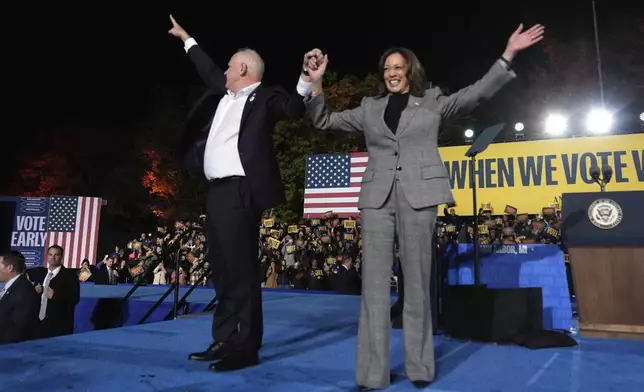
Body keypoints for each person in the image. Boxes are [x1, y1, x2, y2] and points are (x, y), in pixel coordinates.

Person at [304, 24, 544, 390]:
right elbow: (322, 120)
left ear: (410, 70)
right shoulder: (369, 108)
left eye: (397, 66)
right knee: (373, 288)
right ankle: (372, 374)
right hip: (376, 200)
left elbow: (474, 95)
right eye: (386, 68)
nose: (391, 72)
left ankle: (419, 367)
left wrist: (507, 54)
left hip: (420, 195)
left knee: (417, 284)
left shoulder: (432, 101)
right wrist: (316, 82)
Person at [167, 15, 318, 371]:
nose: (223, 72)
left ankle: (246, 347)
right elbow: (206, 68)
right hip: (216, 193)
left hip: (240, 191)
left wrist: (305, 79)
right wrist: (187, 38)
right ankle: (223, 338)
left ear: (244, 68)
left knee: (242, 272)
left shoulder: (265, 98)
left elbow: (294, 109)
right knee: (221, 269)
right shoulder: (223, 93)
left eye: (230, 66)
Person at [34, 245, 81, 338]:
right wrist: (34, 292)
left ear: (61, 257)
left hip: (59, 326)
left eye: (56, 255)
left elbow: (74, 299)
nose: (53, 257)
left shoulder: (70, 276)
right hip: (38, 324)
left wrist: (54, 296)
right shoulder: (40, 274)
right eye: (50, 254)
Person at [0, 251, 40, 344]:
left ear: (9, 268)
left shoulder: (23, 290)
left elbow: (18, 325)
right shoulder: (12, 286)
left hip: (11, 348)